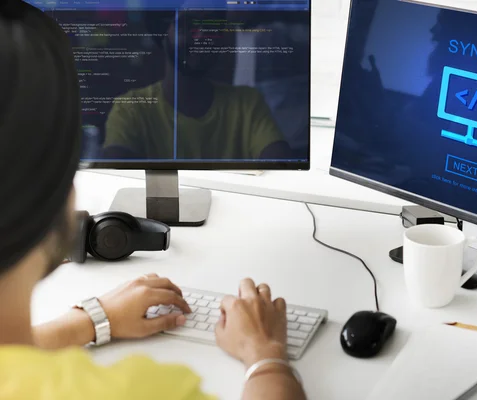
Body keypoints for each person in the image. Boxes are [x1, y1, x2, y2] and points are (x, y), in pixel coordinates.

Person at [0, 2, 305, 399]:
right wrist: (266, 356)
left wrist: (94, 319)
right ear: (58, 198)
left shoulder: (244, 102)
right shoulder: (143, 389)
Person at [102, 9, 293, 160]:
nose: (202, 36)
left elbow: (280, 165)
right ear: (162, 33)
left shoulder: (247, 103)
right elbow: (115, 174)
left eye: (211, 26)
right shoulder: (130, 108)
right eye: (188, 24)